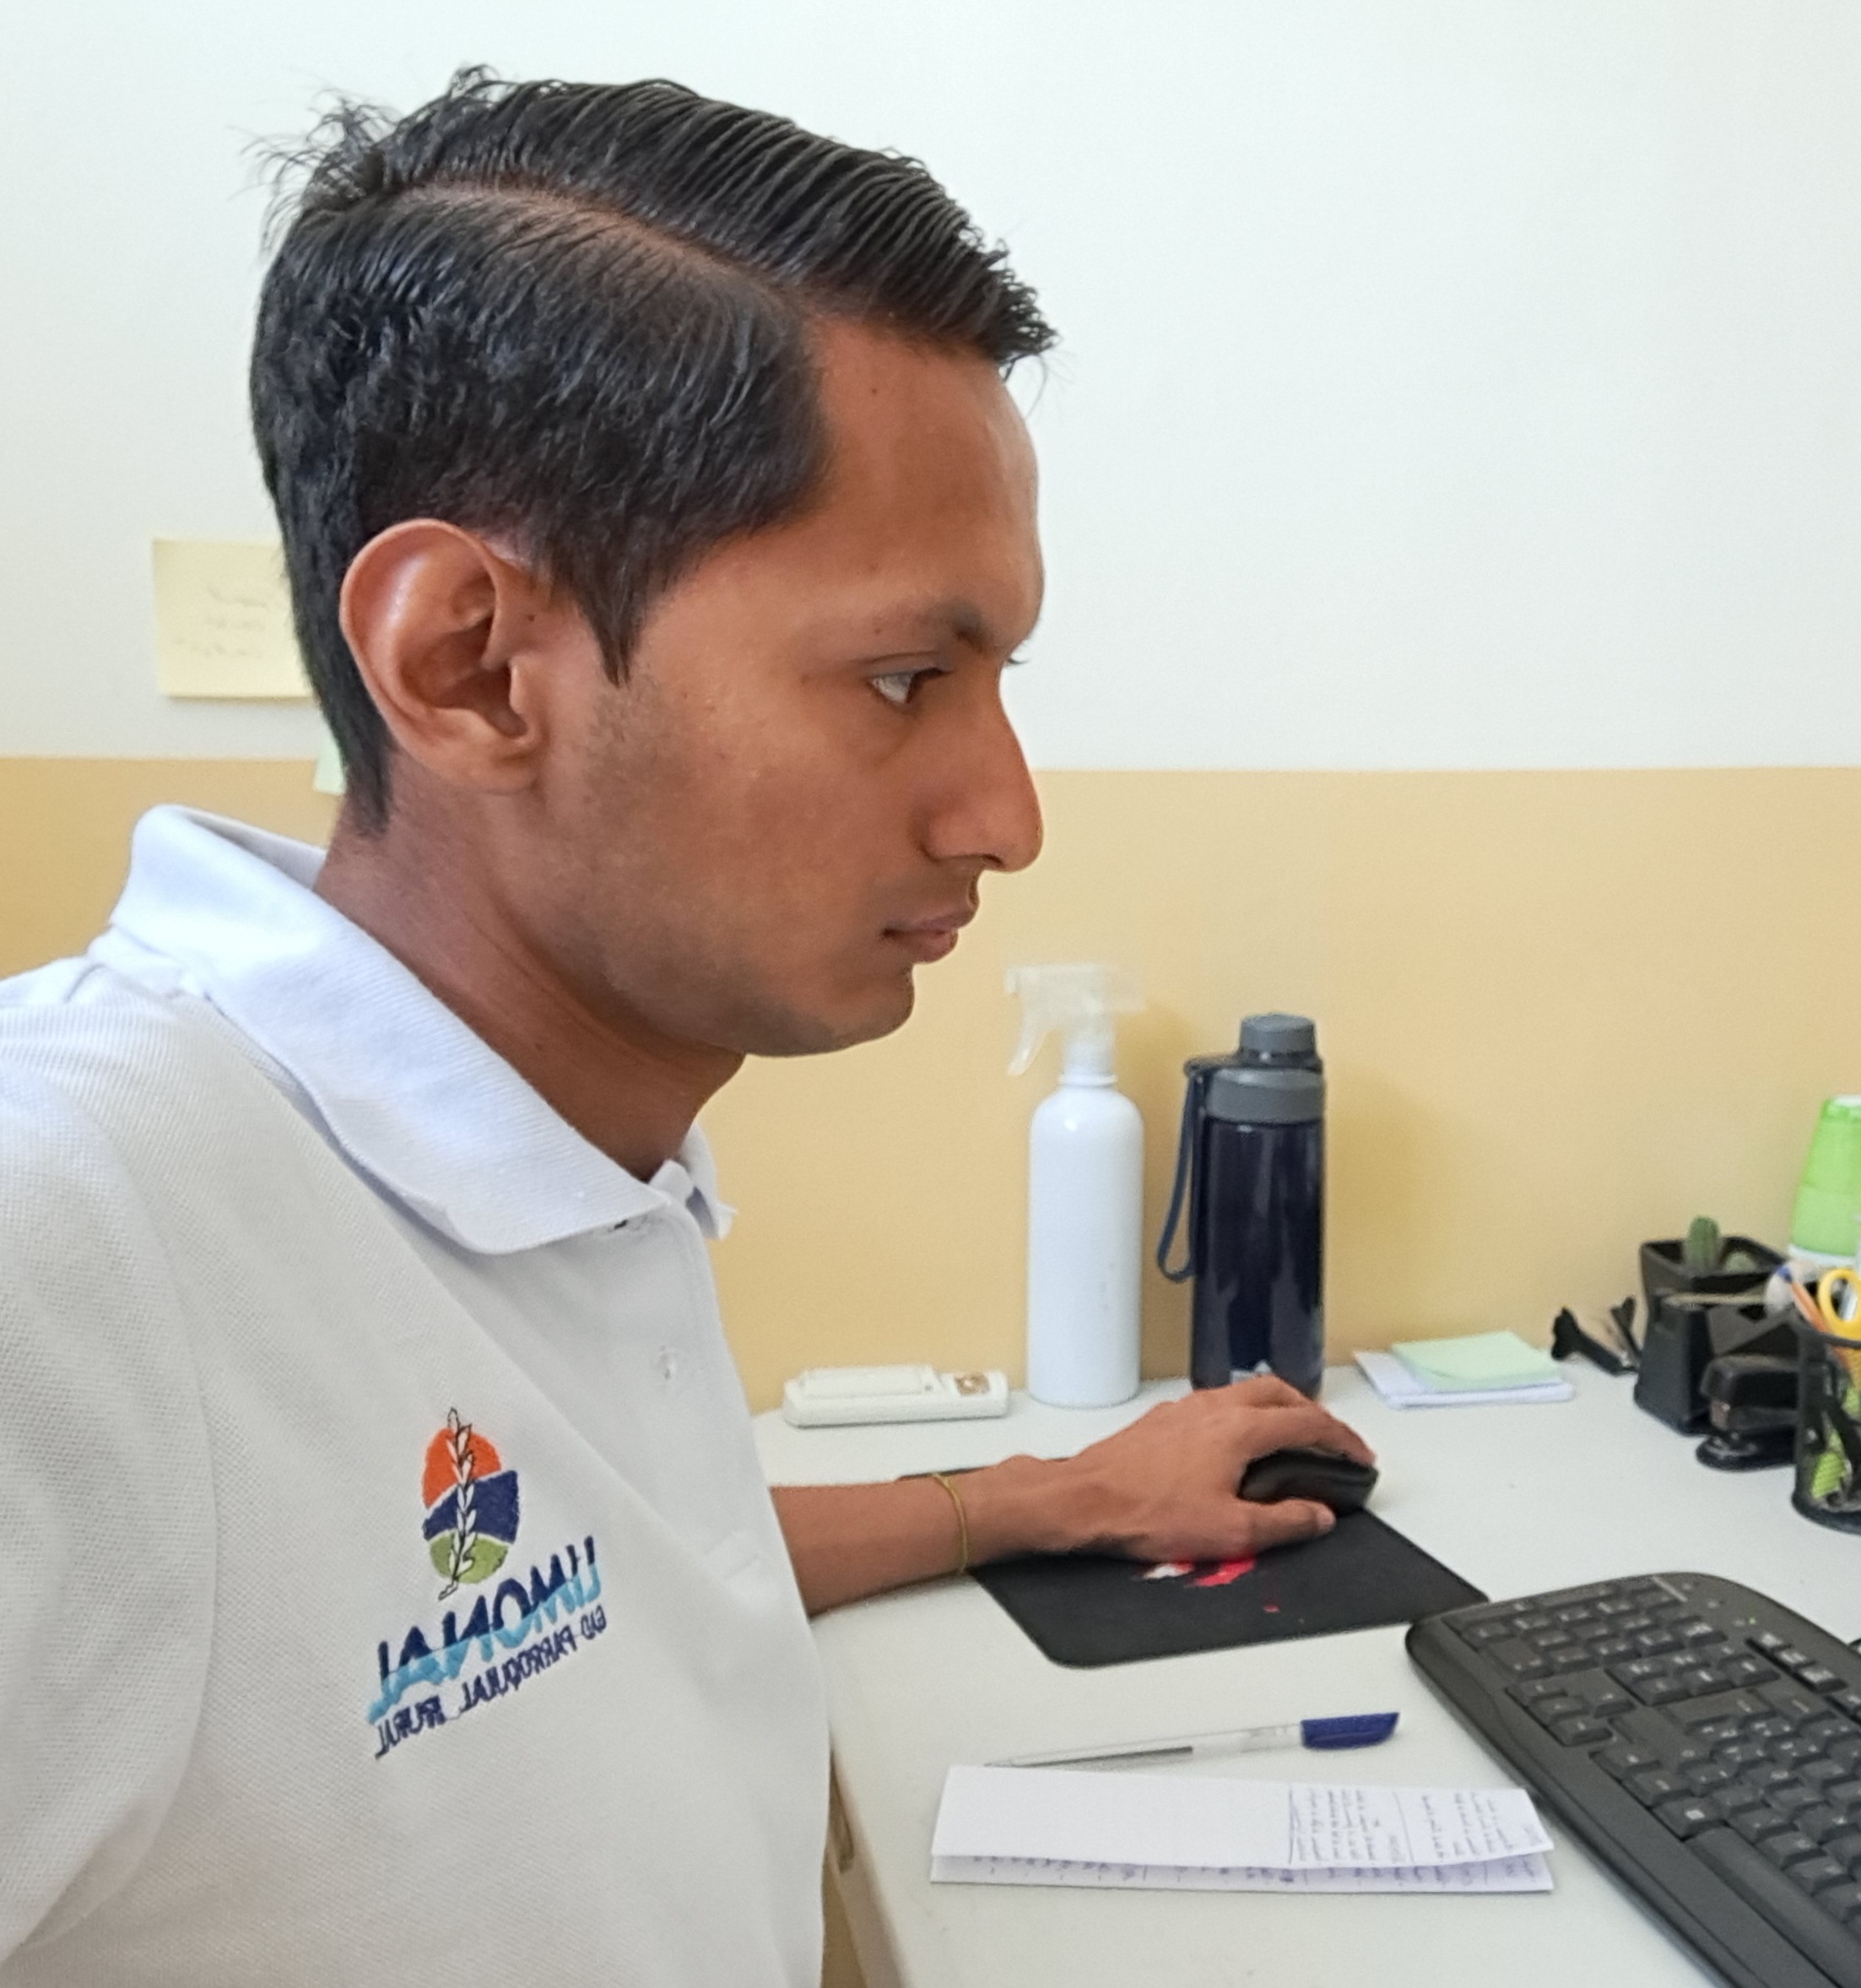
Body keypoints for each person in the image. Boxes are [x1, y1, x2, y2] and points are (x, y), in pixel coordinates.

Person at [0, 76, 1374, 1983]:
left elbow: (578, 1580)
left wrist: (1048, 1495)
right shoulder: (67, 1242)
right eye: (902, 676)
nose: (1006, 816)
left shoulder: (550, 1151)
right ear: (471, 665)